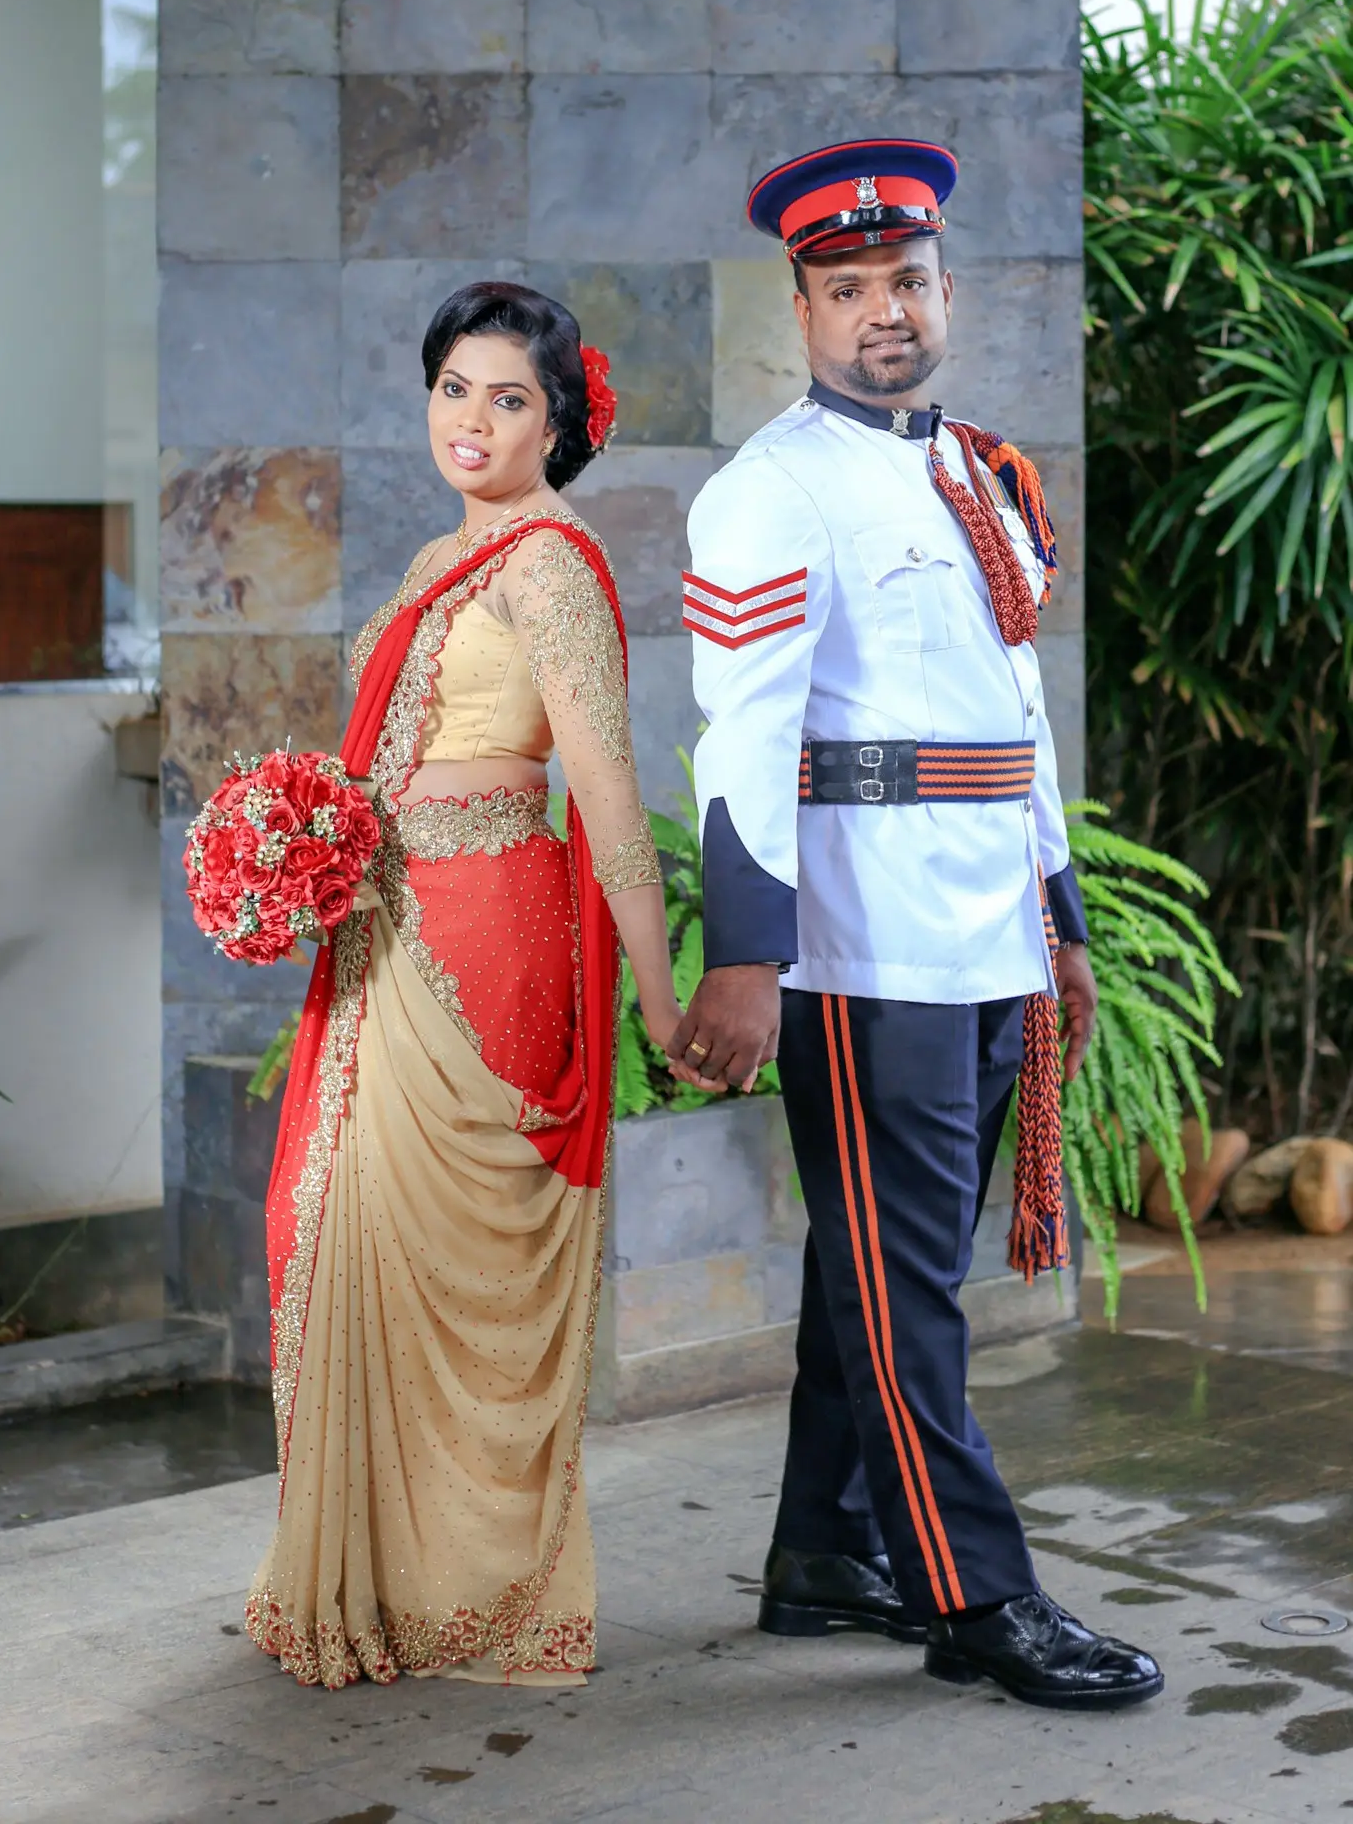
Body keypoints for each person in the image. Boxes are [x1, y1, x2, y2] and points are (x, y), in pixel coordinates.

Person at [667, 142, 1164, 1711]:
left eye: (907, 282)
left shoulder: (985, 479)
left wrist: (1063, 917)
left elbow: (1016, 721)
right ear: (803, 307)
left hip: (986, 930)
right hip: (858, 944)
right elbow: (739, 735)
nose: (885, 309)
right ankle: (978, 1595)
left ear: (948, 291)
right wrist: (747, 954)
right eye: (848, 287)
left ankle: (826, 1548)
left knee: (884, 1271)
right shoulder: (769, 489)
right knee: (909, 1285)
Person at [247, 282, 711, 1689]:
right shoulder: (444, 555)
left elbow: (609, 788)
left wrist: (657, 993)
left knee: (452, 1255)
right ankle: (376, 1570)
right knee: (333, 1227)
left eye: (510, 397)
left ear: (557, 422)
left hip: (486, 937)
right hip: (387, 926)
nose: (476, 417)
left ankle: (464, 1587)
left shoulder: (547, 568)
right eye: (457, 386)